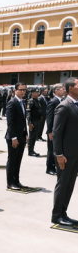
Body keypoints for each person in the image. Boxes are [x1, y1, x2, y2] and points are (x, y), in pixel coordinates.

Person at [51, 77, 78, 226]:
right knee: (63, 185)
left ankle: (64, 213)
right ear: (71, 88)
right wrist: (59, 154)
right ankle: (56, 215)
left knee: (70, 185)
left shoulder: (76, 105)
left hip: (75, 154)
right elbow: (56, 132)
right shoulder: (64, 106)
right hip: (65, 155)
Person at [5, 82, 28, 190]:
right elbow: (10, 122)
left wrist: (25, 134)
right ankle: (10, 182)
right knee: (12, 160)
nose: (22, 92)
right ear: (15, 90)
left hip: (21, 136)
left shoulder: (22, 102)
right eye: (20, 89)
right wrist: (14, 137)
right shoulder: (12, 103)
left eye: (24, 90)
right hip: (13, 137)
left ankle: (16, 180)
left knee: (18, 160)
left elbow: (23, 121)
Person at [46, 84, 66, 175]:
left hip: (60, 130)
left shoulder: (62, 100)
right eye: (62, 89)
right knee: (51, 149)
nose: (63, 90)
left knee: (57, 149)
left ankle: (56, 166)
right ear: (56, 91)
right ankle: (50, 168)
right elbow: (49, 118)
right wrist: (50, 131)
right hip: (53, 130)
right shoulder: (53, 102)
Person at [26, 88, 42, 157]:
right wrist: (29, 123)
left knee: (34, 136)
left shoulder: (37, 101)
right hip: (33, 121)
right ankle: (30, 151)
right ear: (32, 93)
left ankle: (32, 149)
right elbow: (28, 112)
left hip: (37, 120)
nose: (38, 93)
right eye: (36, 92)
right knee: (31, 136)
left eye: (38, 92)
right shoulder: (30, 101)